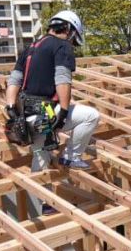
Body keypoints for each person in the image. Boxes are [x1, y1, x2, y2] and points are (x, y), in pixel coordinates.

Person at [5, 10, 100, 170]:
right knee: (91, 116)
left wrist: (11, 108)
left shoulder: (30, 48)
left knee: (41, 156)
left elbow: (14, 80)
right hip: (46, 112)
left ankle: (39, 187)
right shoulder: (62, 46)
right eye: (73, 38)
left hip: (25, 115)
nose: (72, 43)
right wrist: (62, 113)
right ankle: (71, 157)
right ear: (68, 29)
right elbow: (62, 80)